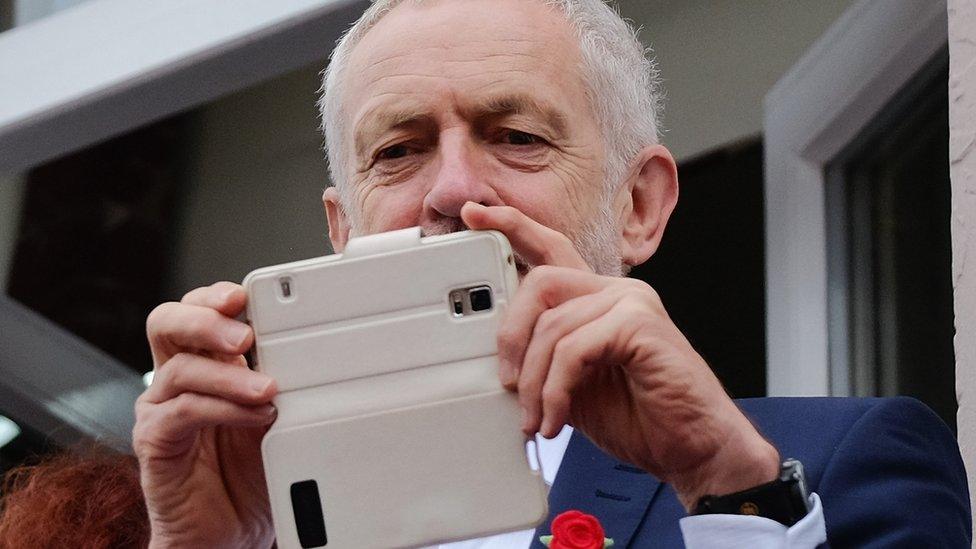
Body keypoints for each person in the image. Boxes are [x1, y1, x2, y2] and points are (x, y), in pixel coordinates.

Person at [0, 0, 969, 547]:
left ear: (638, 207)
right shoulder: (217, 516)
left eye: (515, 137)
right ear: (342, 230)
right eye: (398, 151)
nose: (454, 192)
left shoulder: (826, 469)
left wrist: (724, 487)